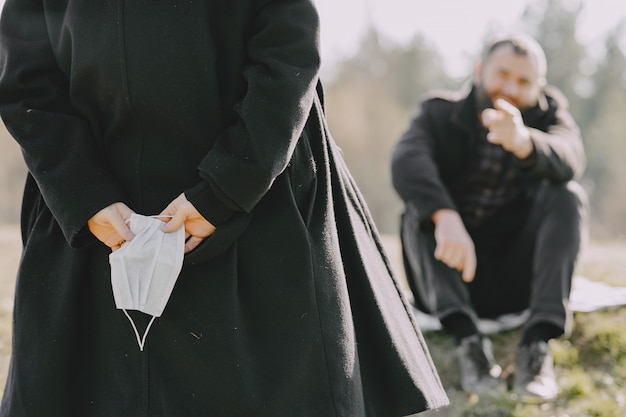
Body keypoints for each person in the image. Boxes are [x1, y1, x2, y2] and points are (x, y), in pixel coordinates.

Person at [0, 1, 449, 416]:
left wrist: (228, 185)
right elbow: (26, 76)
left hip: (259, 179)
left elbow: (287, 50)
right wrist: (82, 192)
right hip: (91, 193)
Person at [391, 34, 588, 402]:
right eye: (502, 74)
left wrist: (525, 142)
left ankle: (536, 346)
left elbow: (571, 156)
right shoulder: (438, 112)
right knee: (418, 210)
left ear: (539, 88)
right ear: (479, 71)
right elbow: (406, 161)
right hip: (448, 274)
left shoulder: (550, 115)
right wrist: (445, 215)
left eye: (524, 81)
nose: (510, 88)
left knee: (568, 194)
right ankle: (469, 344)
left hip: (517, 279)